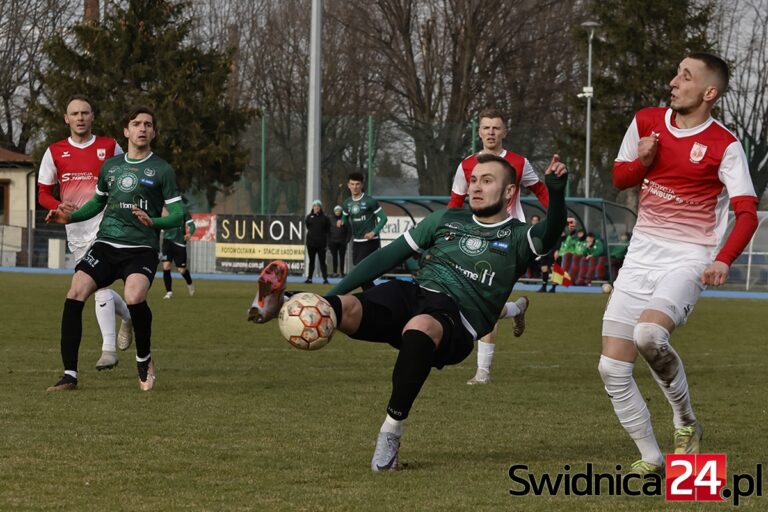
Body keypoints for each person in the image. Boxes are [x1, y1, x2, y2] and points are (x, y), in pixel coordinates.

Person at [250, 153, 568, 471]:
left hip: (458, 319)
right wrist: (324, 301)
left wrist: (556, 192)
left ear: (510, 191)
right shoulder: (445, 219)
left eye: (487, 181)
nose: (476, 187)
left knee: (420, 326)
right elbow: (386, 257)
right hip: (413, 292)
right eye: (473, 180)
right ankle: (289, 302)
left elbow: (552, 232)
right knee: (346, 308)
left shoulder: (519, 235)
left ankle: (390, 434)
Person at [598, 53, 758, 476]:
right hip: (639, 258)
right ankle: (652, 457)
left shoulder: (725, 145)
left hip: (688, 259)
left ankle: (685, 421)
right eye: (675, 73)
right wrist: (643, 161)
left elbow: (746, 210)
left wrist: (723, 259)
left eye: (685, 77)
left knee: (650, 334)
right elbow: (620, 178)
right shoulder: (647, 121)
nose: (673, 81)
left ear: (709, 93)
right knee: (611, 368)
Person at [45, 106, 185, 392]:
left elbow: (179, 213)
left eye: (148, 124)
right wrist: (69, 217)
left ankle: (144, 359)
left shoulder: (162, 170)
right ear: (127, 131)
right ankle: (69, 375)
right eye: (136, 123)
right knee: (75, 292)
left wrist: (154, 221)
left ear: (154, 132)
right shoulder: (111, 166)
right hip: (107, 244)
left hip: (140, 249)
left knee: (134, 296)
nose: (142, 128)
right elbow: (98, 203)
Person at [448, 108, 551, 385]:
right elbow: (455, 202)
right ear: (479, 132)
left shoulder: (519, 163)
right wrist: (448, 232)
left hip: (510, 237)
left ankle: (483, 371)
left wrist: (555, 213)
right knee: (483, 301)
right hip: (475, 237)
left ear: (504, 132)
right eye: (486, 128)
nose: (491, 132)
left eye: (496, 128)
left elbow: (540, 189)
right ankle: (516, 309)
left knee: (485, 298)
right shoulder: (467, 165)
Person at [37, 94, 133, 371]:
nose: (80, 118)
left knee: (100, 285)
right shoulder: (54, 151)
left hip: (109, 226)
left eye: (85, 113)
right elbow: (43, 192)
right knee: (93, 288)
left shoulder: (109, 146)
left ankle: (108, 350)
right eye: (75, 114)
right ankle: (128, 315)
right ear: (66, 119)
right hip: (77, 229)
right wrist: (57, 206)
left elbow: (127, 177)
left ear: (93, 117)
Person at [337, 172, 388, 290]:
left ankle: (370, 295)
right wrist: (341, 221)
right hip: (357, 241)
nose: (355, 187)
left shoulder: (370, 201)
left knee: (360, 270)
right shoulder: (347, 203)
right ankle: (373, 294)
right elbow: (344, 216)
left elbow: (384, 218)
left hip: (370, 241)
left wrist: (373, 232)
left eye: (357, 184)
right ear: (348, 185)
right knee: (361, 271)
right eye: (352, 184)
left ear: (361, 185)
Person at [161, 202, 196, 299]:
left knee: (181, 270)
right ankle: (169, 292)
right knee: (166, 266)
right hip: (167, 241)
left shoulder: (183, 210)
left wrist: (189, 234)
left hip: (179, 243)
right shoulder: (163, 209)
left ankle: (189, 283)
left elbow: (192, 225)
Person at [305, 199, 330, 284]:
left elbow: (327, 229)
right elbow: (308, 226)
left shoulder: (325, 218)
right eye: (315, 206)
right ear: (313, 207)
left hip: (321, 244)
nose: (316, 208)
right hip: (311, 243)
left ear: (320, 207)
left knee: (322, 262)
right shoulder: (309, 217)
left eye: (318, 206)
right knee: (311, 261)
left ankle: (325, 279)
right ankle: (309, 279)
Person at [328, 205, 350, 277]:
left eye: (339, 211)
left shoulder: (345, 219)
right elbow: (327, 231)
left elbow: (349, 230)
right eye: (336, 211)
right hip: (333, 242)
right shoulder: (330, 219)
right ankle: (334, 272)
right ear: (334, 212)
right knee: (334, 257)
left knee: (342, 257)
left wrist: (347, 240)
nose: (338, 212)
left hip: (342, 242)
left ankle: (342, 272)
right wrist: (329, 241)